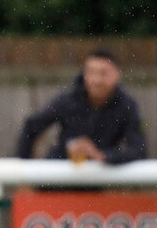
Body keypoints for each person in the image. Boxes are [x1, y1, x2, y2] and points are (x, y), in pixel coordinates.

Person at [15, 48, 147, 165]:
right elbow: (31, 126)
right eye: (91, 72)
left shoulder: (126, 105)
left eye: (104, 73)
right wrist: (25, 168)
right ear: (84, 74)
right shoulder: (68, 99)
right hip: (60, 174)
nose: (97, 80)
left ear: (117, 75)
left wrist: (103, 156)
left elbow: (139, 150)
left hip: (101, 178)